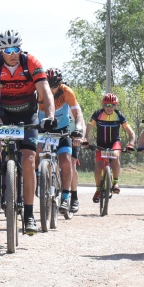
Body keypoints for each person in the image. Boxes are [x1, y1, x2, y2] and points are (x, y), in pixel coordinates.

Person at [0, 29, 56, 235]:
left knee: (28, 160)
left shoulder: (31, 63)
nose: (12, 53)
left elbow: (45, 91)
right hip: (2, 109)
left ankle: (29, 214)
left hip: (27, 112)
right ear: (1, 50)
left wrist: (49, 117)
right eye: (7, 50)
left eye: (15, 48)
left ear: (21, 48)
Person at [46, 68, 86, 217]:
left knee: (68, 162)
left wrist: (80, 133)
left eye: (55, 86)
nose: (51, 89)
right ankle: (40, 176)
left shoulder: (68, 94)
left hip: (65, 131)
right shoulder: (40, 92)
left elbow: (79, 116)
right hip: (46, 131)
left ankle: (68, 196)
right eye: (49, 86)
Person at [84, 93, 135, 202]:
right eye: (106, 105)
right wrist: (84, 139)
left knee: (115, 157)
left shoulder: (119, 115)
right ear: (103, 105)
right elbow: (88, 127)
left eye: (112, 105)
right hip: (101, 144)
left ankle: (115, 183)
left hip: (114, 143)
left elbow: (130, 132)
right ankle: (98, 190)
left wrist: (131, 143)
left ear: (115, 106)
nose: (109, 107)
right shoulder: (97, 114)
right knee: (98, 167)